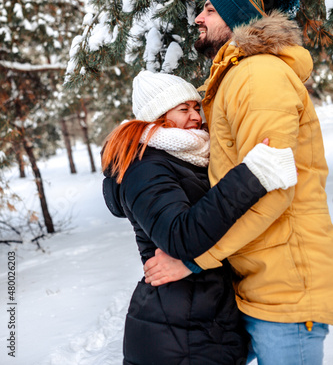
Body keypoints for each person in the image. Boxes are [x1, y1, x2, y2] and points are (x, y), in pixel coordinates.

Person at [144, 0, 333, 365]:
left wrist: (194, 259)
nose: (198, 17)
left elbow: (269, 184)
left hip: (285, 289)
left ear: (237, 18)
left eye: (210, 11)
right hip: (258, 280)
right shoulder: (232, 78)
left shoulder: (258, 76)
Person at [101, 70, 297, 365]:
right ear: (158, 115)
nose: (195, 116)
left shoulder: (185, 158)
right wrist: (252, 176)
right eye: (183, 109)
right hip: (178, 332)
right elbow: (179, 237)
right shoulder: (145, 167)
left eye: (196, 107)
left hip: (201, 319)